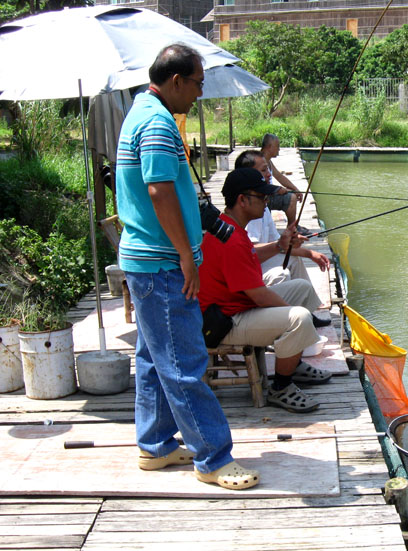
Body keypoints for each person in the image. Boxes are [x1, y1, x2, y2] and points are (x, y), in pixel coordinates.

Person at [116, 43, 258, 491]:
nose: (200, 92)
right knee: (184, 362)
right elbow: (159, 191)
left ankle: (155, 446)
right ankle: (213, 459)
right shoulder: (157, 122)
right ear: (175, 81)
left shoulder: (142, 111)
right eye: (197, 83)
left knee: (154, 358)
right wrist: (184, 255)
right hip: (160, 264)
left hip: (146, 260)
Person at [198, 168, 333, 413]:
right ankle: (281, 387)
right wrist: (294, 316)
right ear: (242, 200)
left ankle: (293, 362)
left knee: (301, 289)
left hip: (237, 307)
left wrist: (280, 246)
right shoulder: (231, 239)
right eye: (262, 197)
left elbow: (250, 254)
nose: (266, 202)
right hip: (226, 323)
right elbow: (259, 295)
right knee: (299, 318)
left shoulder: (229, 226)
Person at [233, 151, 331, 327]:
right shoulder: (247, 215)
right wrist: (279, 246)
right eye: (264, 170)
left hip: (255, 266)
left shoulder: (262, 209)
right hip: (251, 276)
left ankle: (307, 312)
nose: (269, 174)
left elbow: (279, 246)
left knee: (294, 259)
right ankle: (292, 320)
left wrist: (308, 253)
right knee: (282, 273)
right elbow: (252, 252)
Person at [260, 133, 307, 234]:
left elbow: (280, 177)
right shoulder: (259, 162)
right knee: (291, 197)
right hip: (262, 197)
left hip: (270, 194)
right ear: (269, 147)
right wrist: (280, 190)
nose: (279, 149)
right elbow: (262, 186)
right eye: (277, 146)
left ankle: (293, 226)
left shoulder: (268, 161)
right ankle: (291, 228)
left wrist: (295, 189)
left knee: (292, 193)